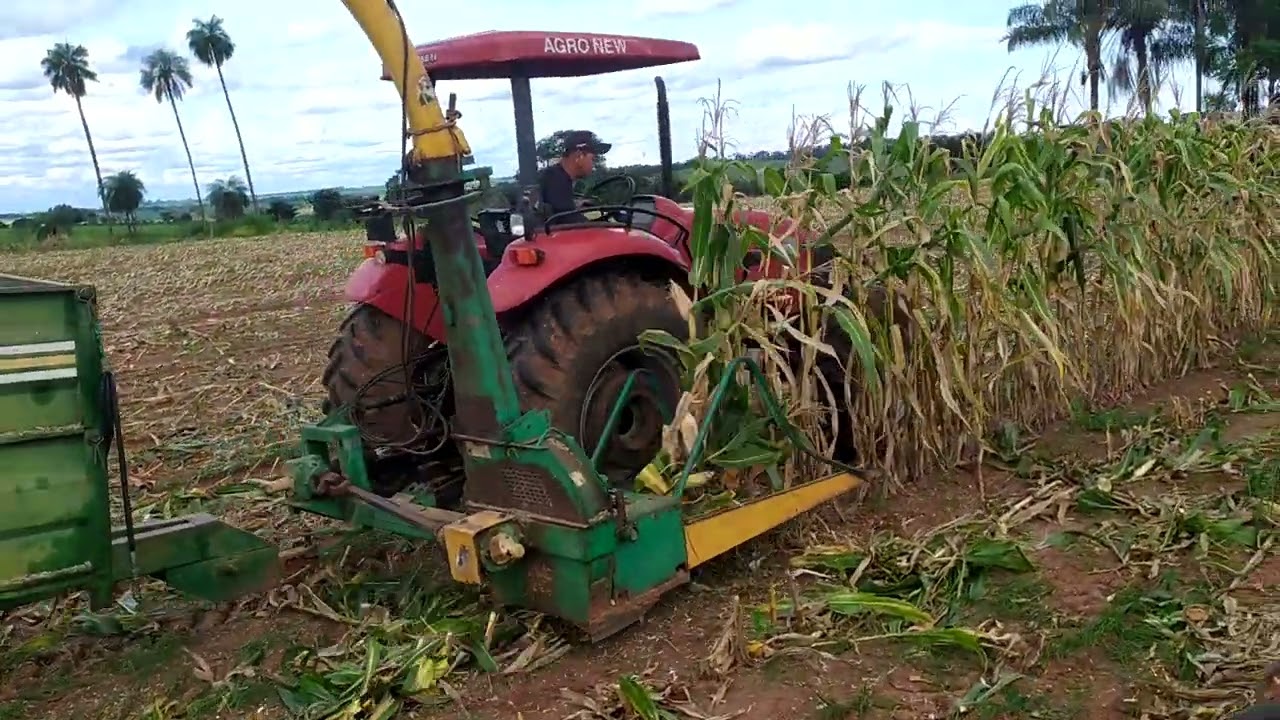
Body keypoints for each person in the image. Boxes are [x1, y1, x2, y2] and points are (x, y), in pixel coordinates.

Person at [536, 130, 611, 226]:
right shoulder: (556, 181)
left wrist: (577, 204)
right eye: (592, 159)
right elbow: (570, 221)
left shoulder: (555, 176)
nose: (593, 164)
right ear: (579, 156)